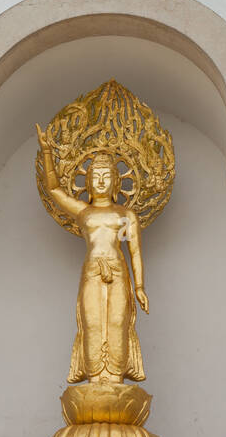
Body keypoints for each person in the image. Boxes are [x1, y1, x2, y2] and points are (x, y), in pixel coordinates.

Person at [36, 127, 147, 384]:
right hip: (91, 273)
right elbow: (54, 190)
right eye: (95, 175)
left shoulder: (126, 214)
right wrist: (47, 151)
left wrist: (140, 286)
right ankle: (95, 380)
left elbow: (135, 252)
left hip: (118, 273)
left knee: (118, 323)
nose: (100, 181)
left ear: (116, 182)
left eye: (106, 175)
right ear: (87, 181)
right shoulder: (84, 212)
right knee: (92, 323)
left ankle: (116, 380)